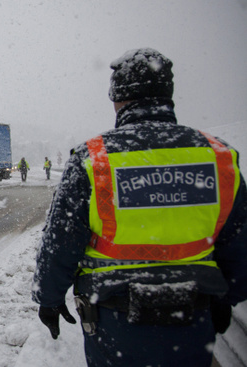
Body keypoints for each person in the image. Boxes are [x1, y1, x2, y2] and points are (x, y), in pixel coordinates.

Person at [31, 48, 247, 367]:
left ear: (117, 99)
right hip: (193, 314)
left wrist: (48, 299)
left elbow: (61, 243)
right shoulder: (219, 157)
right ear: (167, 94)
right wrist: (228, 298)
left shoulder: (93, 161)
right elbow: (239, 242)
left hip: (113, 320)